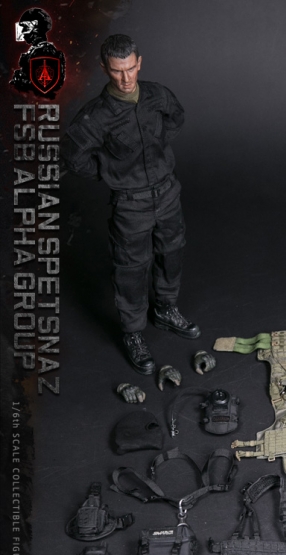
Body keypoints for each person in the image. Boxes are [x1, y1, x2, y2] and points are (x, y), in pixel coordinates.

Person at [61, 34, 199, 375]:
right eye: (117, 71)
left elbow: (176, 117)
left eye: (131, 68)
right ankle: (133, 333)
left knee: (172, 253)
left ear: (139, 63)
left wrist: (157, 152)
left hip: (168, 194)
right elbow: (74, 158)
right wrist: (110, 172)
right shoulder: (96, 116)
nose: (125, 78)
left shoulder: (156, 95)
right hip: (131, 205)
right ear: (105, 69)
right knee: (131, 269)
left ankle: (165, 309)